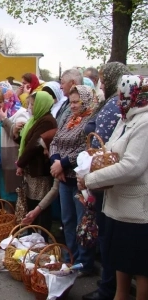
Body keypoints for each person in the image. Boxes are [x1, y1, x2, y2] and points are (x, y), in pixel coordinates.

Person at [78, 75, 148, 300]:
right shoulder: (126, 119)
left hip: (136, 212)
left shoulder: (145, 122)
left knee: (139, 269)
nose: (120, 99)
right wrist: (88, 165)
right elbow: (108, 150)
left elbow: (132, 166)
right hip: (116, 207)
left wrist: (90, 180)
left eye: (125, 94)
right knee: (120, 267)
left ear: (138, 95)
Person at [82, 62, 131, 300]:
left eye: (103, 78)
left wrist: (90, 174)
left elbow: (101, 137)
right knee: (105, 232)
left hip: (105, 173)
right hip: (100, 170)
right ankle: (108, 285)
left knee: (106, 234)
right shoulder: (110, 101)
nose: (101, 83)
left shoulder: (114, 104)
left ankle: (107, 288)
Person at [50, 85, 95, 276]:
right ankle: (70, 257)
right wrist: (55, 162)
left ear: (85, 101)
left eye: (77, 102)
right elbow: (54, 141)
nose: (74, 105)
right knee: (67, 220)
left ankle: (84, 262)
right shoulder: (68, 118)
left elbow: (85, 150)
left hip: (77, 178)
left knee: (81, 222)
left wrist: (63, 163)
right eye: (72, 101)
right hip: (62, 177)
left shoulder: (90, 121)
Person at [16, 91, 57, 235]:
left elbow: (33, 145)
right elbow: (25, 141)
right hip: (32, 169)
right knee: (32, 203)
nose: (30, 107)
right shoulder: (35, 120)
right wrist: (16, 133)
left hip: (40, 170)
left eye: (33, 104)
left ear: (41, 105)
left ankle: (41, 237)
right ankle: (32, 235)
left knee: (40, 205)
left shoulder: (47, 121)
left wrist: (20, 163)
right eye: (29, 104)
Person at [0, 83, 29, 203]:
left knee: (14, 198)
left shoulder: (20, 113)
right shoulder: (0, 113)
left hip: (13, 163)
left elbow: (18, 136)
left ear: (9, 99)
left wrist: (5, 120)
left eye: (1, 101)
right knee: (3, 196)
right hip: (1, 162)